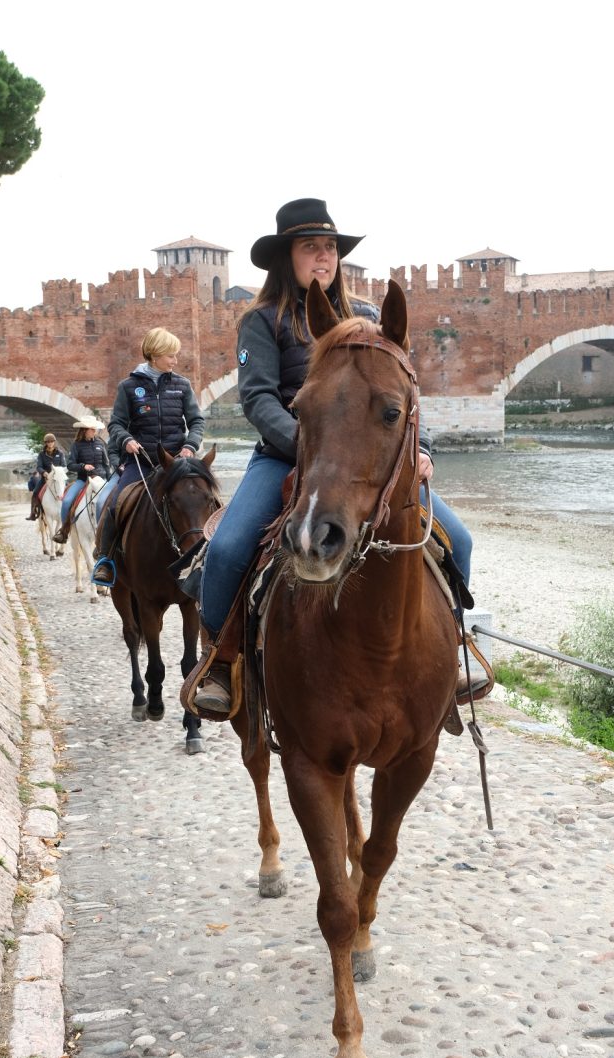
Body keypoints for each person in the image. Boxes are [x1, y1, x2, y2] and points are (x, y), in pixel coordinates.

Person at [194, 197, 476, 715]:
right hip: (287, 455)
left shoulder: (368, 316)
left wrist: (424, 449)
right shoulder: (262, 321)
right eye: (310, 249)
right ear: (288, 258)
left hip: (369, 462)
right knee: (230, 548)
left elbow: (404, 393)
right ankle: (218, 658)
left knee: (457, 539)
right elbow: (257, 399)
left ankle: (454, 653)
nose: (322, 258)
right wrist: (307, 448)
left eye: (329, 249)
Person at [91, 327, 205, 582]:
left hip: (177, 462)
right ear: (154, 355)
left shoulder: (182, 385)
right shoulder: (128, 387)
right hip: (140, 463)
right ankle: (105, 559)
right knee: (110, 503)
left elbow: (197, 421)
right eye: (171, 355)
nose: (175, 361)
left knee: (209, 498)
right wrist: (127, 439)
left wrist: (191, 445)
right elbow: (116, 424)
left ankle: (211, 555)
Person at [52, 417, 110, 544]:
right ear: (85, 430)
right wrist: (83, 466)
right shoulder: (76, 445)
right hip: (83, 480)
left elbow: (106, 464)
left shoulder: (100, 443)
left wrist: (109, 479)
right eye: (92, 429)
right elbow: (70, 465)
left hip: (101, 480)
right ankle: (64, 532)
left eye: (95, 429)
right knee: (66, 501)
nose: (95, 431)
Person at [26, 432, 66, 520]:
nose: (50, 443)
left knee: (67, 490)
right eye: (48, 442)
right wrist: (44, 473)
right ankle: (33, 513)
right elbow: (39, 467)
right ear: (46, 443)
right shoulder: (41, 454)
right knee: (36, 492)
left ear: (54, 442)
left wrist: (59, 473)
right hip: (46, 478)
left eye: (52, 441)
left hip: (57, 478)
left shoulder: (60, 453)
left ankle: (68, 512)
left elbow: (63, 466)